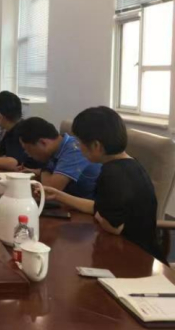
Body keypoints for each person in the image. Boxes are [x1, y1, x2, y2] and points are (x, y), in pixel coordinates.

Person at [43, 107, 164, 261]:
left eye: (80, 143)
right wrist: (59, 196)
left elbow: (113, 226)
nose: (78, 148)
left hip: (132, 256)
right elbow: (101, 206)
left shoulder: (111, 173)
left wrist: (100, 216)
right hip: (141, 252)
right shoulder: (132, 164)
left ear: (96, 146)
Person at [18, 117, 101, 199]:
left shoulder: (75, 150)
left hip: (89, 205)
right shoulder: (60, 148)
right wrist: (35, 172)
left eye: (28, 149)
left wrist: (44, 168)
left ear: (43, 142)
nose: (28, 154)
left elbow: (48, 191)